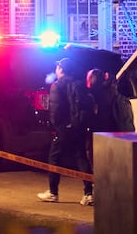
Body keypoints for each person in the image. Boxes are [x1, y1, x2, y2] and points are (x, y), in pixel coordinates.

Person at [37, 57, 93, 205]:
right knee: (81, 157)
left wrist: (57, 127)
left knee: (54, 158)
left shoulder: (57, 86)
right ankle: (89, 193)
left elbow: (55, 110)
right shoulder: (79, 84)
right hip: (79, 127)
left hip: (63, 129)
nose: (56, 70)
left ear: (61, 69)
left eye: (58, 67)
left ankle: (53, 192)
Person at [84, 68, 132, 173]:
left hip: (100, 133)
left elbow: (97, 117)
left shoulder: (95, 95)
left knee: (99, 162)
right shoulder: (112, 90)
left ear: (92, 79)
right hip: (116, 132)